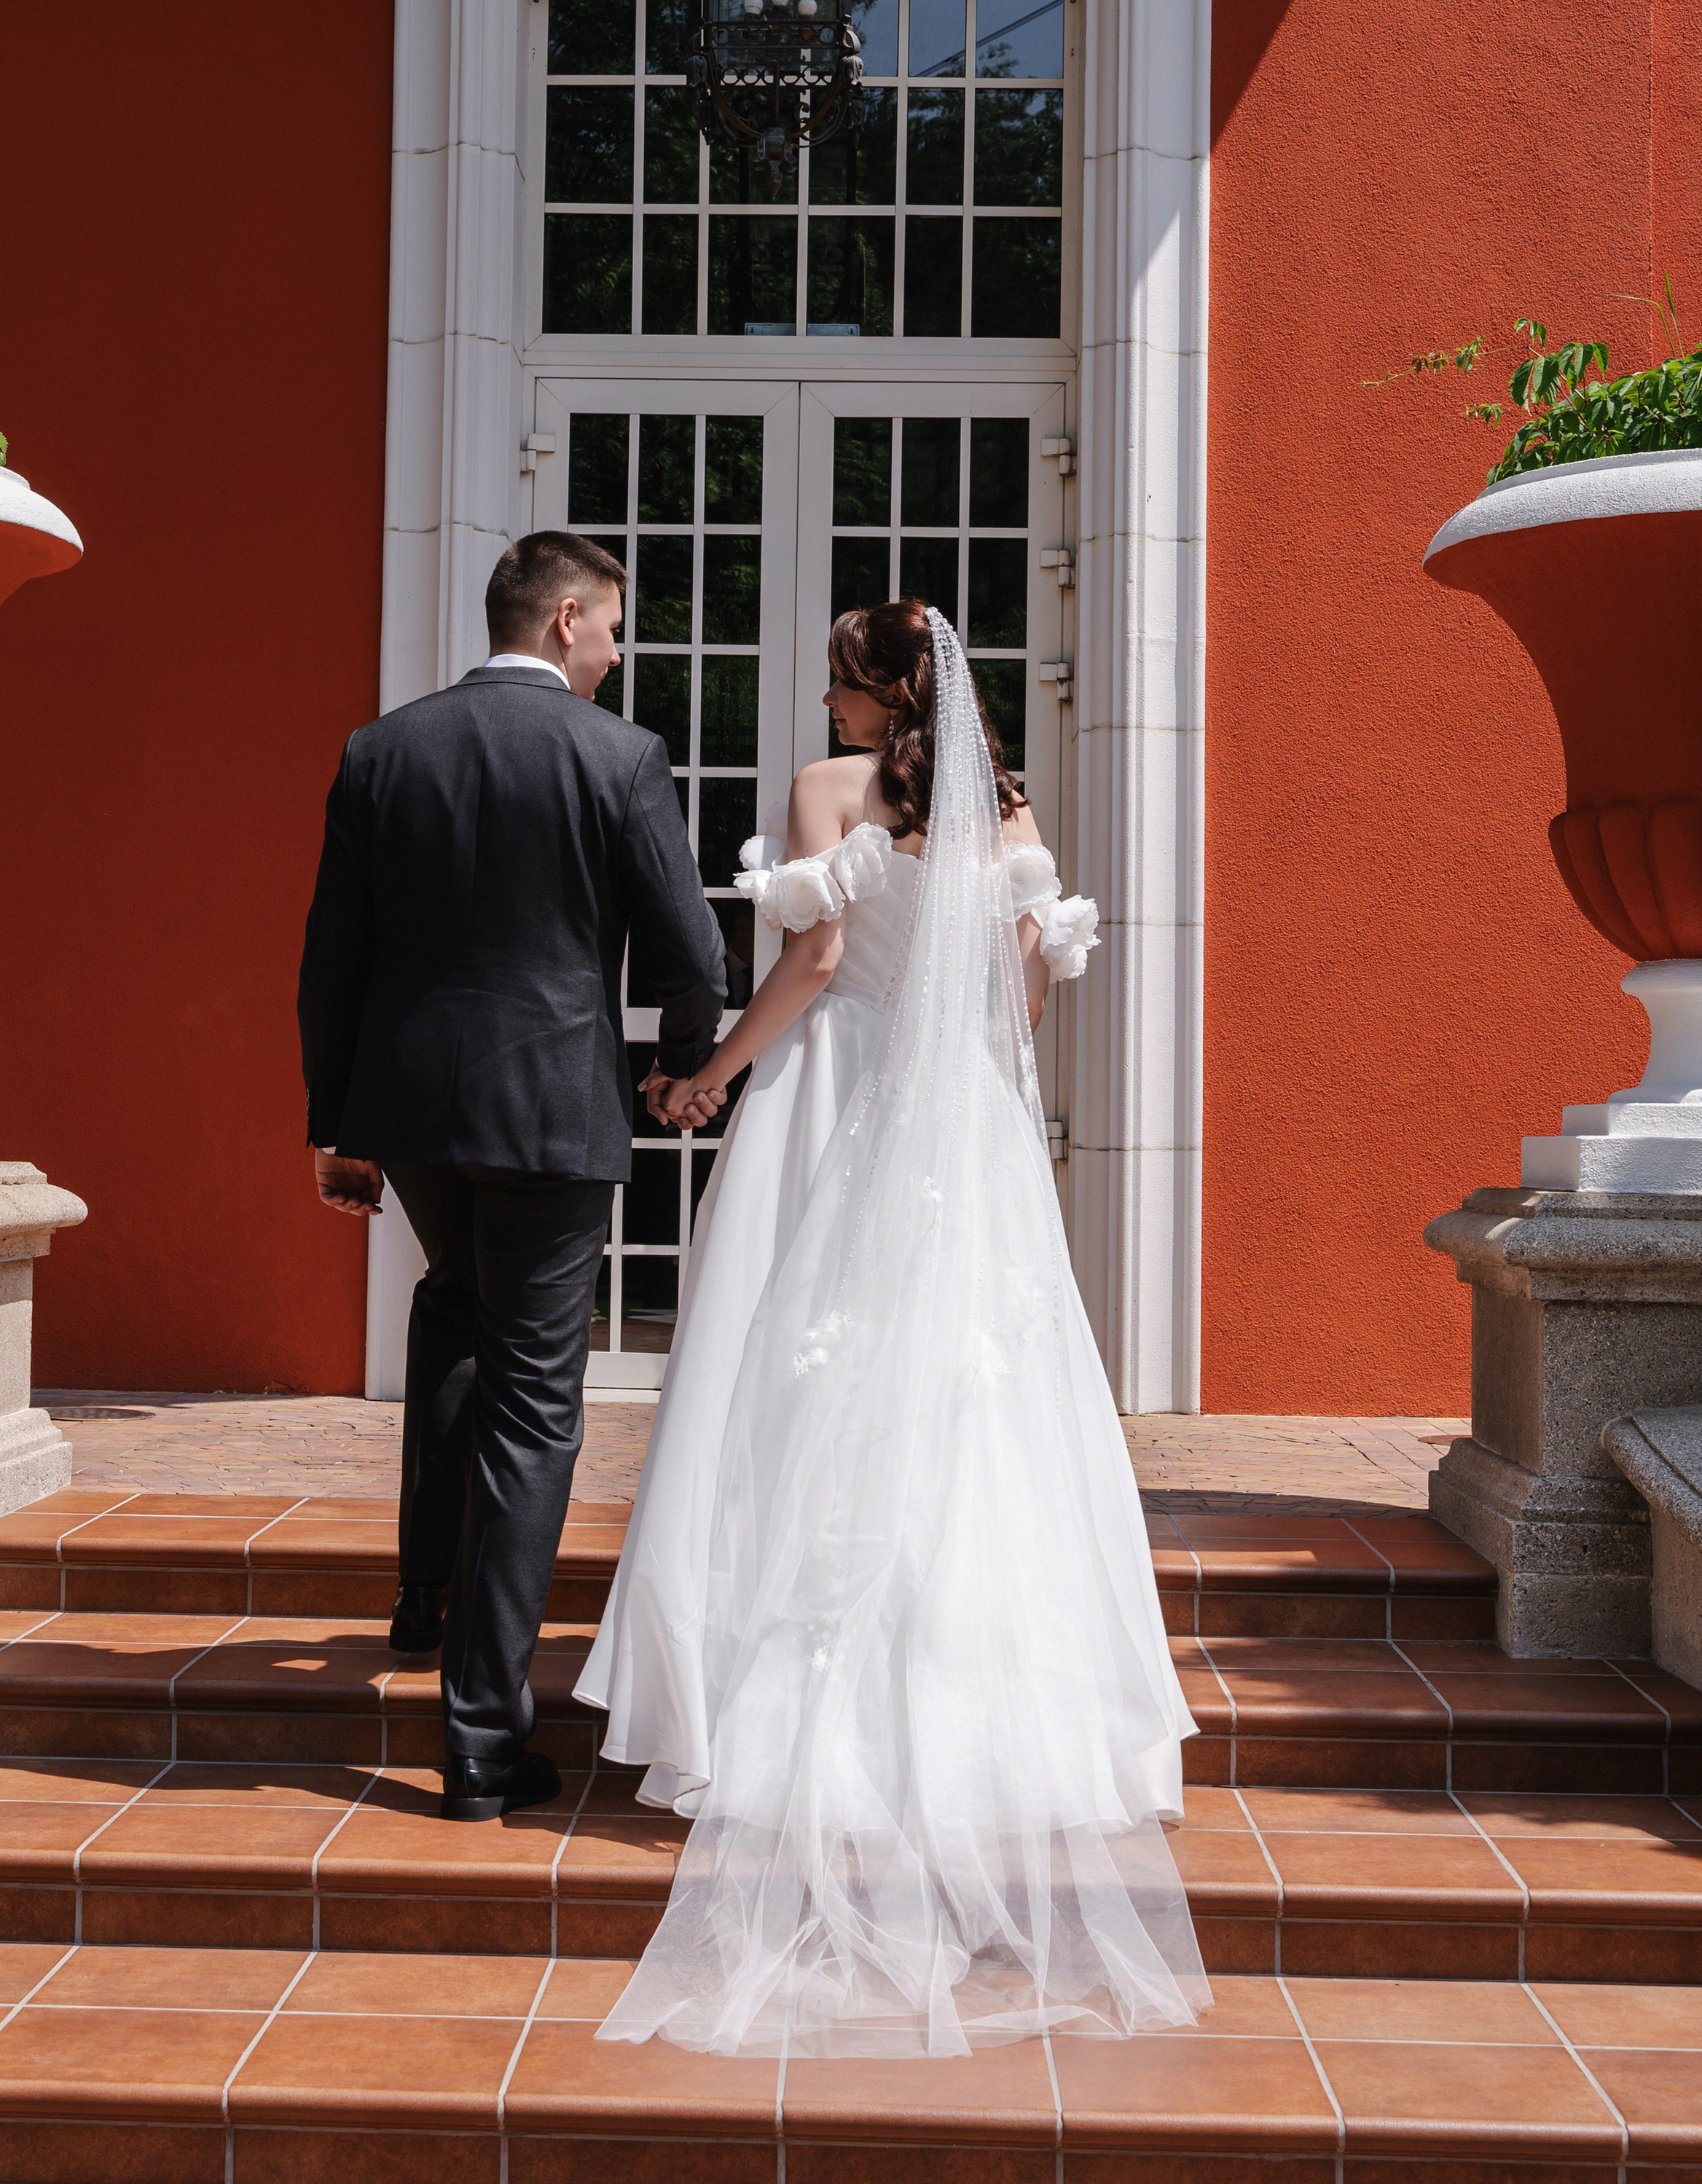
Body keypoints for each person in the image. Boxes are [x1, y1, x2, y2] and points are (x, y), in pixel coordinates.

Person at [576, 599, 1208, 2057]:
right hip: (964, 1116)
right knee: (967, 1396)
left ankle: (760, 1699)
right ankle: (975, 1701)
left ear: (875, 695)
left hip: (833, 1095)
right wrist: (964, 1082)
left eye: (837, 687)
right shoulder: (1007, 810)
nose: (827, 707)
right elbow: (1023, 995)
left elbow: (804, 965)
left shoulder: (823, 793)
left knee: (792, 1377)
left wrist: (714, 1075)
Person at [298, 532, 726, 1824]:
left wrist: (338, 1126)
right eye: (606, 631)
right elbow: (691, 955)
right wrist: (682, 1070)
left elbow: (333, 957)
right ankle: (481, 1743)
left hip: (416, 1115)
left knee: (458, 1318)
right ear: (561, 620)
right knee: (536, 1409)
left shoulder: (385, 749)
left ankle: (423, 1596)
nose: (612, 653)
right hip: (549, 1118)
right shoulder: (620, 756)